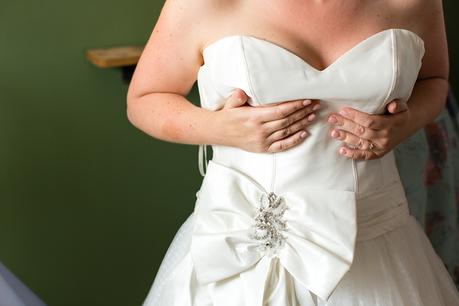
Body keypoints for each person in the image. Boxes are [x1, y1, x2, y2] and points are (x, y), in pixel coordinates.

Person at [126, 0, 459, 305]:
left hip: (378, 241)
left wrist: (406, 121)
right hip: (237, 250)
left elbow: (435, 79)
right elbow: (145, 99)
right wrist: (221, 129)